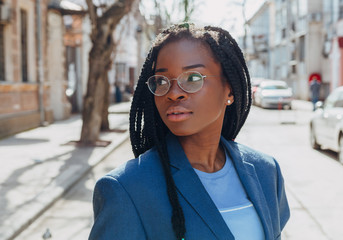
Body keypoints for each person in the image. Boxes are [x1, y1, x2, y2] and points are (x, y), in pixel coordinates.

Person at [89, 23, 290, 240]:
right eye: (162, 81)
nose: (174, 93)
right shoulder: (127, 189)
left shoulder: (266, 171)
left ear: (229, 88)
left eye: (193, 78)